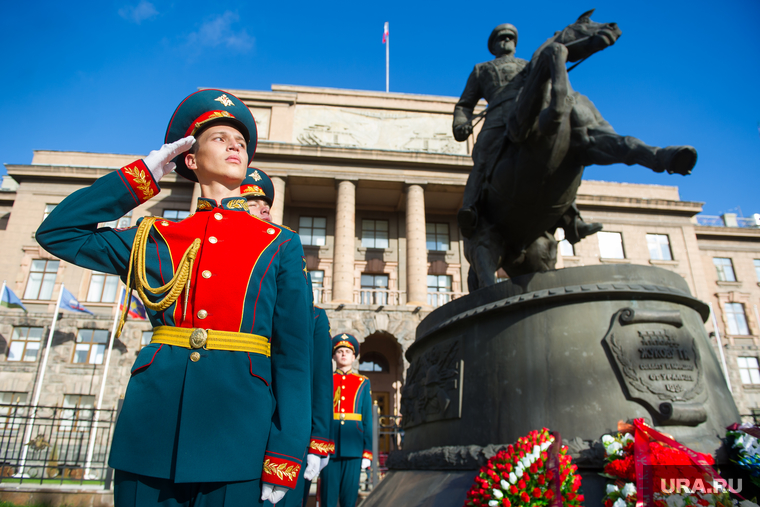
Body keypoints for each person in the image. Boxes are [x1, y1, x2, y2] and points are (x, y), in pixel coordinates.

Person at [36, 89, 313, 506]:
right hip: (152, 432)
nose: (235, 145)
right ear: (189, 158)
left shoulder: (279, 245)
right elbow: (58, 232)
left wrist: (286, 450)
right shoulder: (156, 237)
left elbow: (294, 358)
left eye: (240, 142)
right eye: (220, 139)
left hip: (238, 433)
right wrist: (142, 175)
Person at [453, 24, 601, 244]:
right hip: (496, 121)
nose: (506, 41)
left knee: (556, 158)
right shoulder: (480, 69)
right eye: (501, 38)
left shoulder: (527, 66)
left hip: (529, 116)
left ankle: (572, 219)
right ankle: (471, 209)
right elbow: (465, 104)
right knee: (483, 157)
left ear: (515, 43)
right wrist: (461, 124)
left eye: (510, 38)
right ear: (493, 45)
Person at [241, 168, 334, 507]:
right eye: (252, 201)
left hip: (285, 444)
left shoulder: (311, 316)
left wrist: (316, 442)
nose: (263, 208)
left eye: (266, 203)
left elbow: (314, 381)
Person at [320, 334, 372, 507]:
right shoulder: (326, 380)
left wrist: (367, 452)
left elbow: (367, 420)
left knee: (349, 499)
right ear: (334, 356)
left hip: (354, 448)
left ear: (354, 356)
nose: (343, 354)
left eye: (347, 352)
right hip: (329, 446)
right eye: (340, 351)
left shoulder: (362, 382)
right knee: (328, 497)